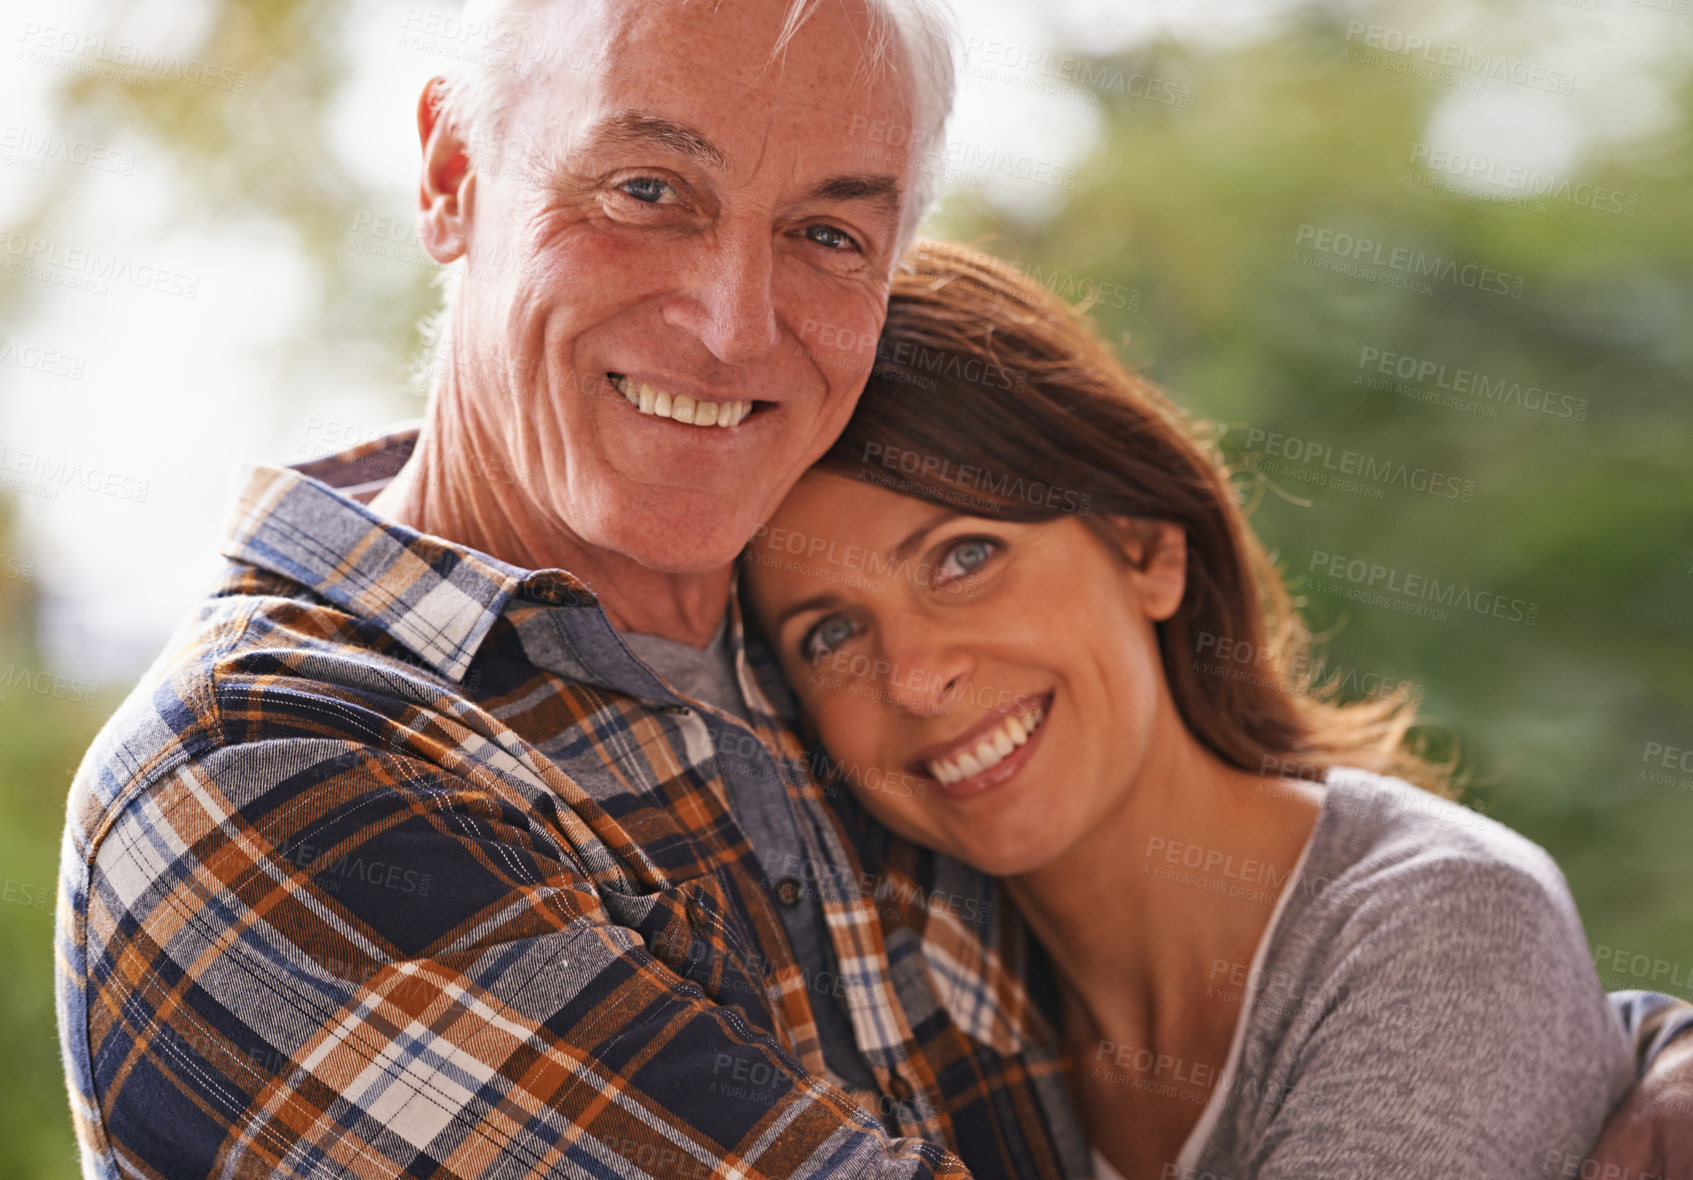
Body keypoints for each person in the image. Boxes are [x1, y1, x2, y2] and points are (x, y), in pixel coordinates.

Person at [50, 0, 1692, 1176]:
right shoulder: (270, 768)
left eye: (830, 235)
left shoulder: (796, 667)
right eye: (645, 191)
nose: (728, 319)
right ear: (449, 173)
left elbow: (1311, 972)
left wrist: (1593, 1049)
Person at [740, 240, 1676, 1177]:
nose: (913, 676)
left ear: (1144, 548)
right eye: (829, 636)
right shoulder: (928, 997)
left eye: (964, 556)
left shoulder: (1440, 926)